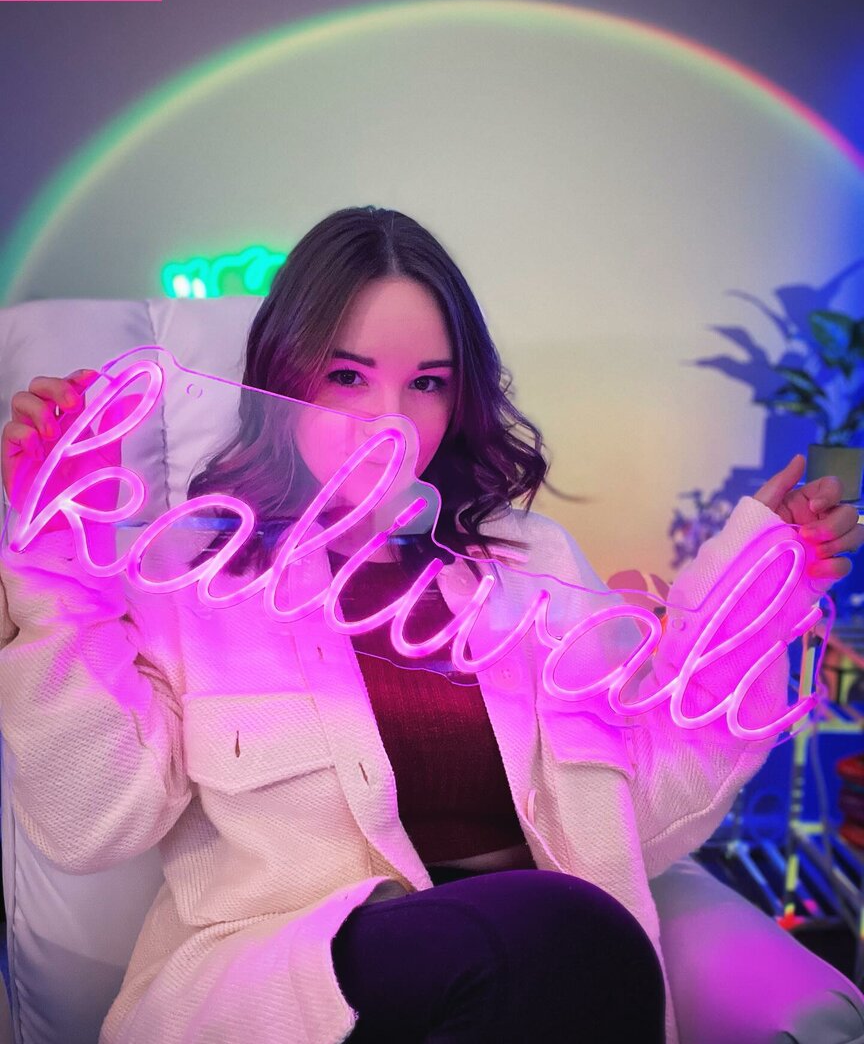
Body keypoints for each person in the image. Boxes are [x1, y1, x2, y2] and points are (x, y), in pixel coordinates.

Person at [0, 206, 861, 1044]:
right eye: (347, 376)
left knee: (569, 941)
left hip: (540, 975)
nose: (388, 421)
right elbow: (93, 820)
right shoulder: (196, 574)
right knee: (563, 934)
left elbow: (639, 815)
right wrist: (52, 562)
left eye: (427, 384)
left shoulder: (530, 567)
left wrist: (753, 600)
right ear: (283, 382)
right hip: (297, 991)